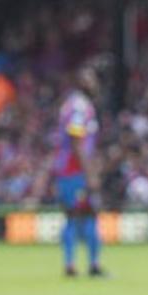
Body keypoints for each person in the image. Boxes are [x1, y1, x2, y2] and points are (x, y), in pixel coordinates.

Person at [54, 67, 105, 278]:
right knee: (82, 214)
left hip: (68, 170)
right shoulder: (79, 107)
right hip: (74, 171)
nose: (94, 84)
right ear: (81, 83)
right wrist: (90, 173)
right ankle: (86, 264)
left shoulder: (72, 104)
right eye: (89, 79)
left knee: (75, 216)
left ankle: (76, 263)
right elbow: (77, 143)